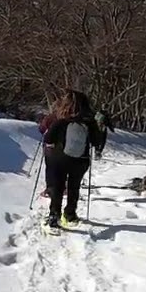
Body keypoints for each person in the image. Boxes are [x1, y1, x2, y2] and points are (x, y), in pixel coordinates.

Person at [42, 89, 105, 229]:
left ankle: (54, 215)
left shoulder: (61, 120)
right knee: (74, 187)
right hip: (81, 160)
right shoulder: (90, 122)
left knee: (58, 186)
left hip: (59, 159)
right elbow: (96, 141)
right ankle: (70, 215)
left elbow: (48, 139)